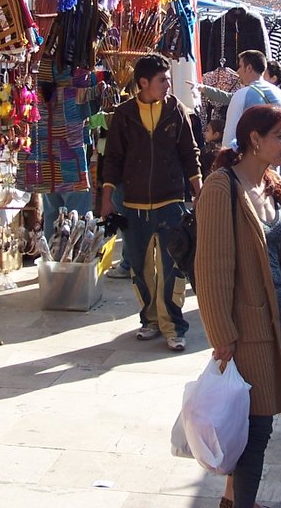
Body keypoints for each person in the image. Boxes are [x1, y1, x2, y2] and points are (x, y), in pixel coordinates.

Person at [195, 104, 281, 508]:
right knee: (257, 428)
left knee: (248, 425)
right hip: (246, 330)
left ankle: (232, 499)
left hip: (277, 324)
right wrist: (223, 337)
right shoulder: (221, 187)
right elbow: (212, 269)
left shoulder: (271, 185)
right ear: (254, 139)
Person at [100, 53, 202, 352]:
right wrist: (106, 199)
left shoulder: (177, 110)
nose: (168, 84)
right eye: (162, 80)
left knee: (173, 268)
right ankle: (150, 321)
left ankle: (174, 326)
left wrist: (199, 190)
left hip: (171, 201)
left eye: (168, 79)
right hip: (133, 205)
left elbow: (189, 153)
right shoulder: (124, 114)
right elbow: (113, 158)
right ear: (143, 83)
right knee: (142, 270)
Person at [222, 50, 281, 149]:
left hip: (254, 156)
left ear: (249, 68)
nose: (237, 71)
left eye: (240, 66)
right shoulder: (280, 93)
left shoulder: (242, 94)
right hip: (279, 155)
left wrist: (226, 158)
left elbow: (230, 134)